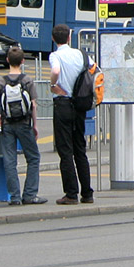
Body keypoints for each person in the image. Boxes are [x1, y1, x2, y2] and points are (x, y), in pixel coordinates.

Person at [0, 45, 46, 206]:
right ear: (22, 61)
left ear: (7, 60)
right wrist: (35, 125)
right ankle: (30, 194)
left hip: (7, 124)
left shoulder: (2, 81)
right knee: (33, 158)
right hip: (24, 124)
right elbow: (33, 105)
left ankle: (14, 197)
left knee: (10, 161)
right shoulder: (27, 80)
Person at [49, 24, 92, 205]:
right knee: (80, 149)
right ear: (69, 37)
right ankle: (87, 193)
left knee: (65, 150)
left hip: (63, 104)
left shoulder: (55, 55)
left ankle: (71, 193)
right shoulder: (81, 54)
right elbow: (94, 69)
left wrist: (53, 85)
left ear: (54, 39)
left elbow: (55, 71)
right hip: (80, 105)